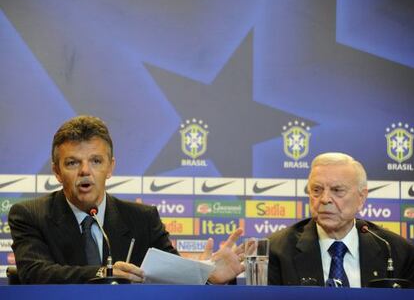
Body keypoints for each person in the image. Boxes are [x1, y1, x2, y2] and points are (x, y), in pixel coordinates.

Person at [8, 115, 243, 284]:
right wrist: (105, 273)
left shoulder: (142, 219)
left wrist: (204, 275)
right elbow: (35, 272)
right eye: (72, 163)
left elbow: (171, 278)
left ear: (111, 167)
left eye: (96, 161)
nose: (85, 171)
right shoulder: (30, 215)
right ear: (57, 172)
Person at [268, 152, 414, 287]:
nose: (325, 199)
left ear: (361, 198)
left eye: (337, 190)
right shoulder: (277, 251)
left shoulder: (396, 251)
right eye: (316, 190)